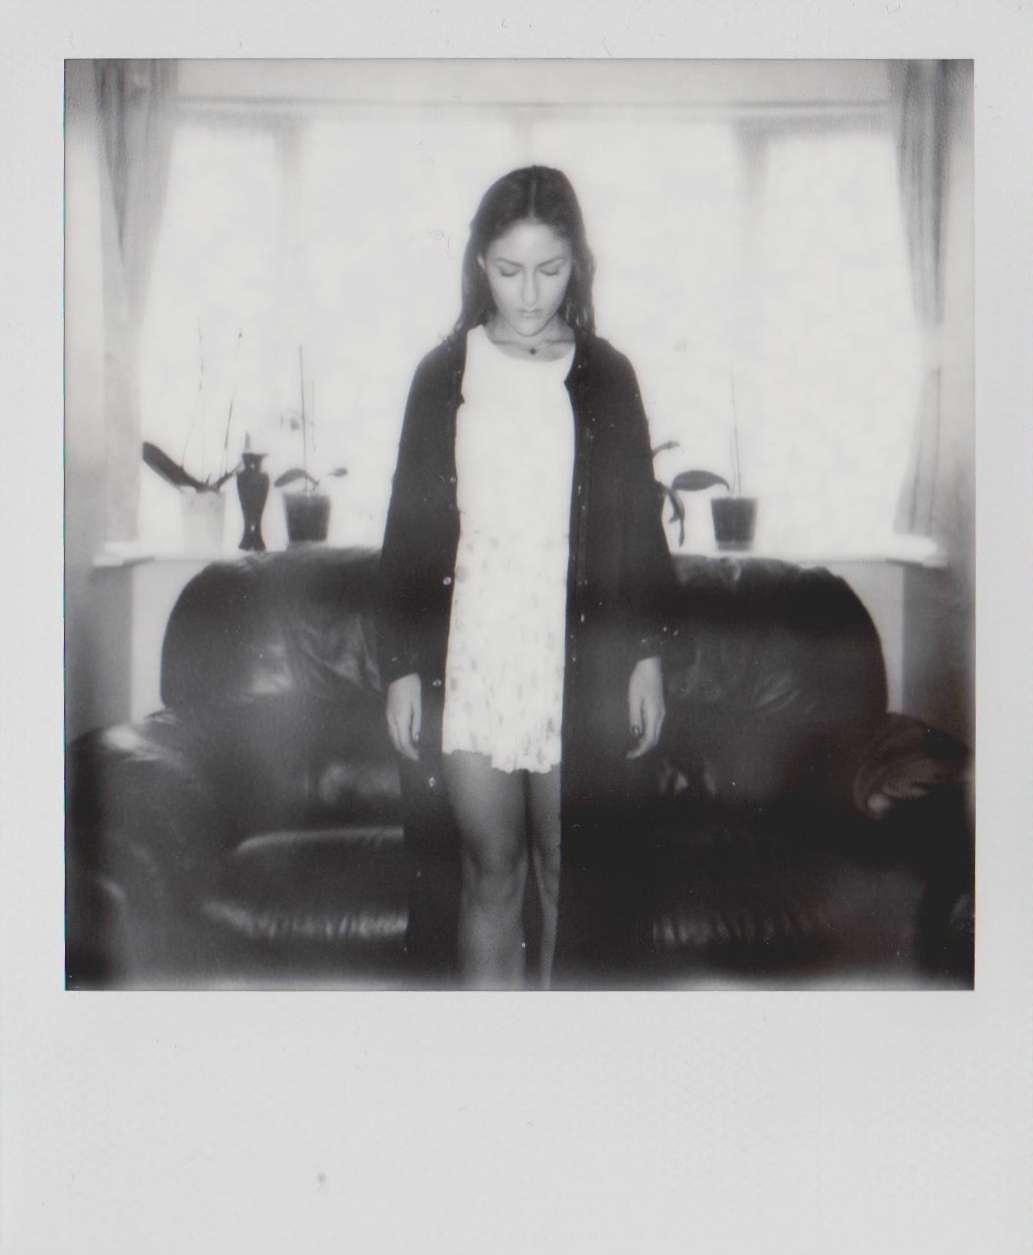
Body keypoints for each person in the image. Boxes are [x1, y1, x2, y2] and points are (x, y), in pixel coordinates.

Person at [377, 165, 676, 989]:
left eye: (550, 268)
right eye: (509, 270)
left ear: (578, 264)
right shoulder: (443, 374)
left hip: (577, 650)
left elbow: (638, 524)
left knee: (566, 875)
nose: (530, 293)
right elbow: (408, 528)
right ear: (479, 264)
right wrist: (400, 665)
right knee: (490, 868)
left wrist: (647, 654)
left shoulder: (607, 375)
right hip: (473, 645)